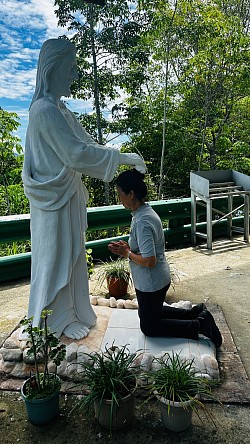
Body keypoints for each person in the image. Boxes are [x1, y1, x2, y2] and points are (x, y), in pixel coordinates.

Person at [21, 38, 146, 340]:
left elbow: (87, 144)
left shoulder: (61, 110)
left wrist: (122, 156)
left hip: (68, 197)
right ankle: (50, 324)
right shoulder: (43, 110)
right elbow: (75, 155)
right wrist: (124, 158)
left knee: (73, 256)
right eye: (71, 68)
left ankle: (73, 313)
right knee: (54, 259)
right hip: (53, 200)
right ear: (53, 70)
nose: (75, 75)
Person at [108, 169, 222, 348]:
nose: (119, 198)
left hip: (151, 282)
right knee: (151, 313)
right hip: (156, 279)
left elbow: (150, 260)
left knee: (149, 327)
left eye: (120, 194)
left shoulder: (142, 221)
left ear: (131, 194)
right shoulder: (144, 213)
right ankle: (195, 312)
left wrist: (127, 253)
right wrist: (129, 248)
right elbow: (147, 250)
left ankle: (200, 325)